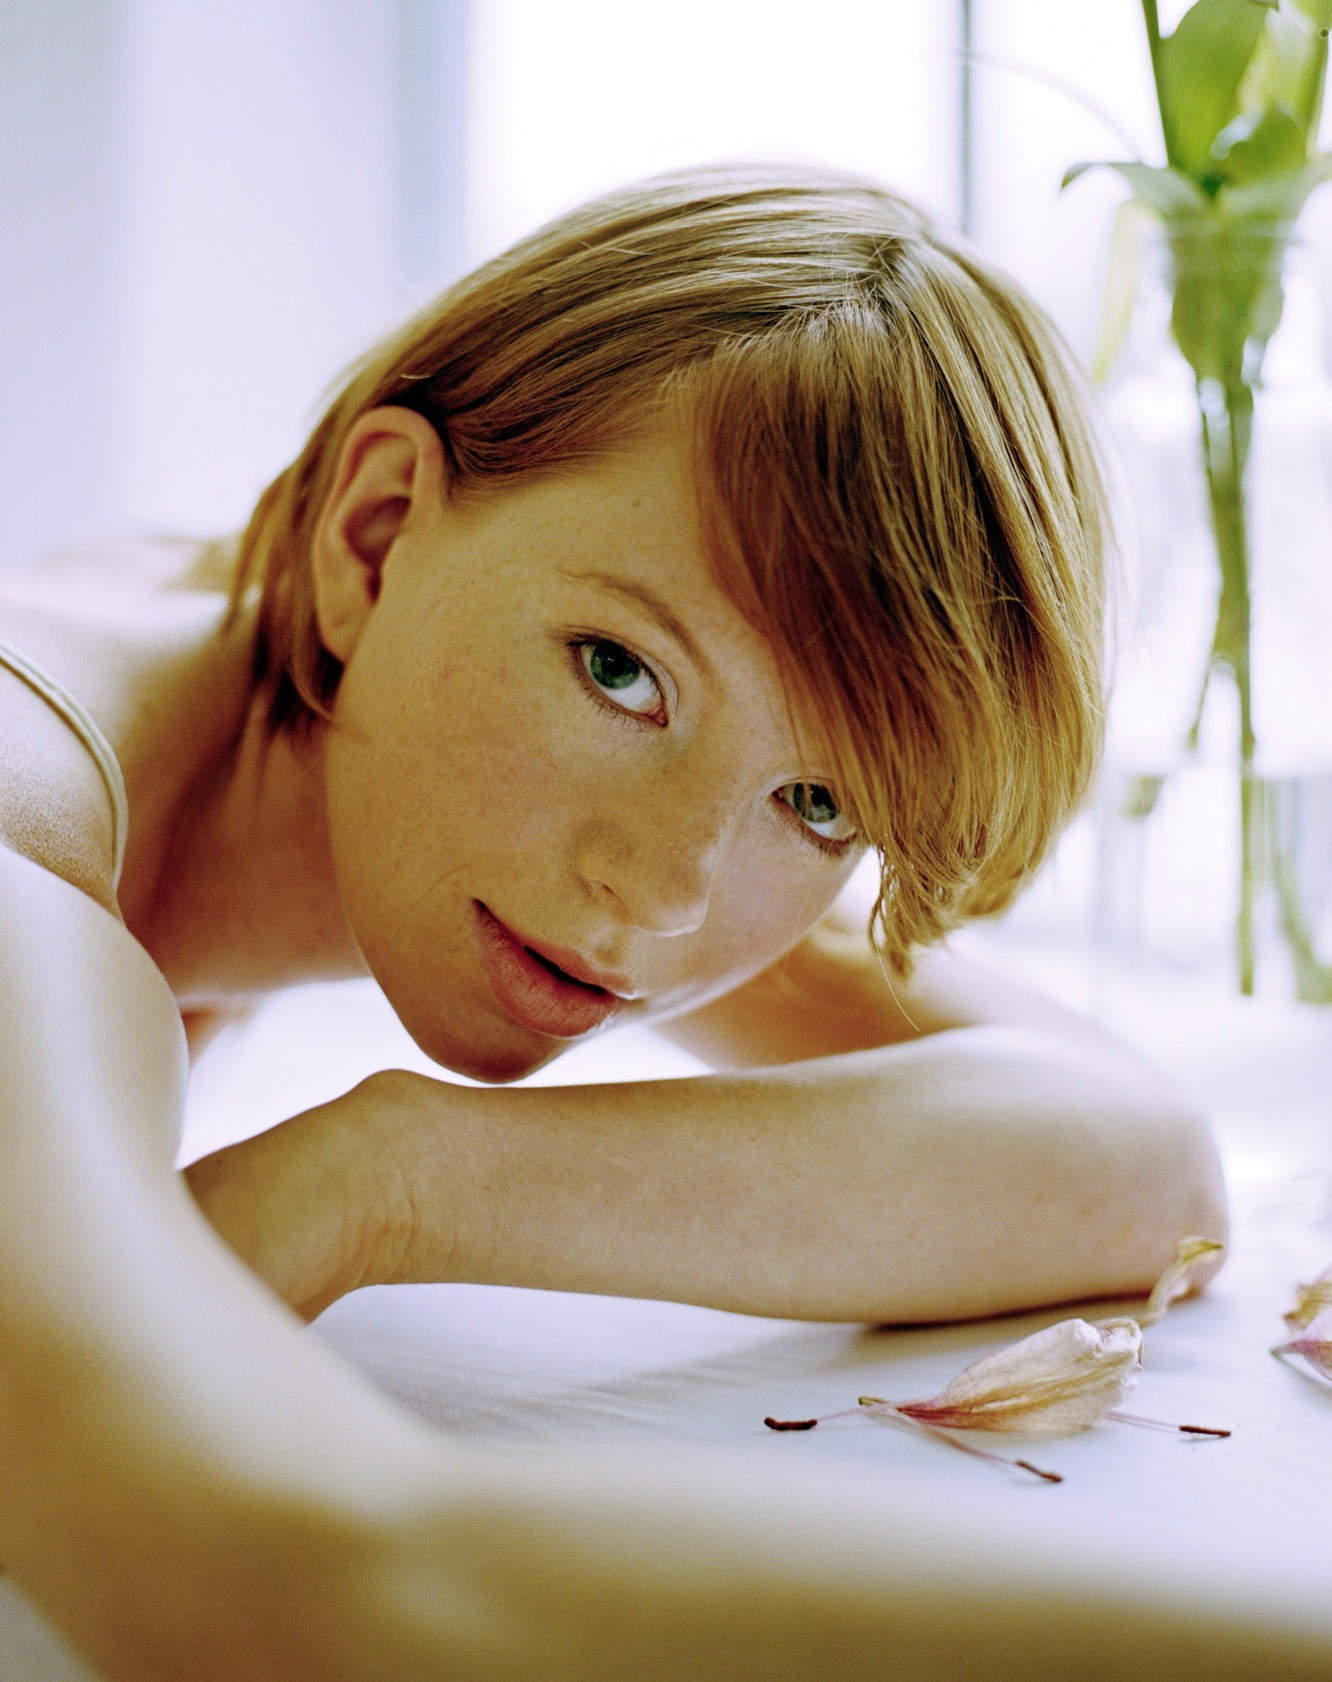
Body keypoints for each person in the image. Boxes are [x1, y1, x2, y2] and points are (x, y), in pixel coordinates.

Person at [0, 165, 1225, 1678]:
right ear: (374, 538)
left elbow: (1138, 1164)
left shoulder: (271, 657)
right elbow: (275, 1580)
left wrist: (396, 1175)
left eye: (819, 803)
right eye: (621, 672)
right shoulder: (31, 858)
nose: (668, 894)